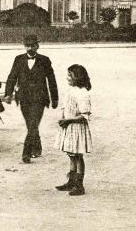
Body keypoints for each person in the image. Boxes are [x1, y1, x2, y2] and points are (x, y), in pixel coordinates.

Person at [4, 34, 59, 163]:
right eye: (27, 45)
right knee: (31, 124)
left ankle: (26, 152)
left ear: (37, 46)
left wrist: (54, 98)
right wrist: (8, 93)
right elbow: (12, 77)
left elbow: (51, 80)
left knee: (33, 123)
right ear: (24, 46)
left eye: (32, 45)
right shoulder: (18, 59)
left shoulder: (45, 60)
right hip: (23, 98)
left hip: (40, 98)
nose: (29, 48)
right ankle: (37, 146)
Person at [55, 64, 93, 196]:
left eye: (70, 75)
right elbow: (65, 107)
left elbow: (84, 115)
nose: (67, 78)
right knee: (71, 155)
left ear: (78, 77)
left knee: (78, 156)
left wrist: (68, 120)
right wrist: (63, 118)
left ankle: (79, 185)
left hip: (76, 127)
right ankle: (71, 182)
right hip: (69, 127)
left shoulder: (83, 93)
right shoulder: (70, 91)